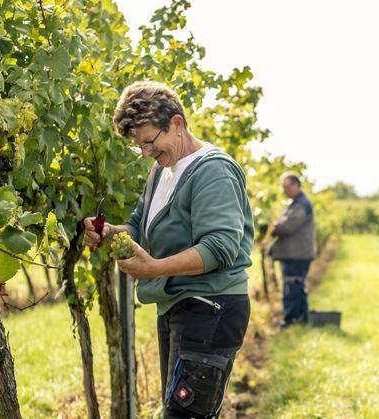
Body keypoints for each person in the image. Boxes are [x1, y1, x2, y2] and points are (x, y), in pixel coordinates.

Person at [83, 81, 253, 418]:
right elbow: (139, 226)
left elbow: (220, 248)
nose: (145, 153)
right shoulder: (162, 171)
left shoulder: (212, 171)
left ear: (176, 123)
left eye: (149, 142)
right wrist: (110, 233)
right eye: (139, 146)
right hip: (179, 306)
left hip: (211, 308)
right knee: (180, 412)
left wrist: (155, 268)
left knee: (182, 415)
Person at [269, 172, 316, 328]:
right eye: (283, 187)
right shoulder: (296, 203)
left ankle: (289, 321)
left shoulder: (301, 204)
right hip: (297, 253)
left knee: (291, 287)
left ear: (297, 185)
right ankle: (302, 318)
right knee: (297, 286)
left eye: (287, 187)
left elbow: (288, 227)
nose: (285, 191)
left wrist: (273, 227)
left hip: (297, 255)